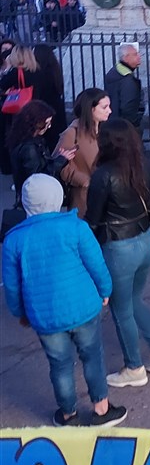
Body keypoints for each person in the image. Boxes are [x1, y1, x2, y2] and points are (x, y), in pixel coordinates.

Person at [2, 174, 127, 427]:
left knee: (59, 364)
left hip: (44, 316)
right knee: (92, 355)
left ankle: (68, 415)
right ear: (58, 197)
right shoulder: (76, 227)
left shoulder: (14, 240)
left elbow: (12, 287)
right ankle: (101, 409)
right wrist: (105, 290)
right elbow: (96, 264)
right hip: (83, 307)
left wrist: (21, 313)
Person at [85, 119, 150, 387]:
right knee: (134, 300)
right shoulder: (147, 166)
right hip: (145, 239)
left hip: (117, 246)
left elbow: (93, 219)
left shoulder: (104, 175)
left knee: (121, 308)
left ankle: (134, 367)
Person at [57, 88, 111, 217]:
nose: (110, 111)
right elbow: (60, 165)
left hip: (108, 196)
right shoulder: (72, 133)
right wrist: (84, 181)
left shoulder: (107, 130)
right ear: (90, 109)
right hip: (84, 200)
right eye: (104, 107)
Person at [9, 100, 75, 198]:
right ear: (35, 122)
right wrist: (59, 160)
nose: (49, 126)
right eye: (46, 123)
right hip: (36, 198)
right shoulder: (29, 148)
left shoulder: (29, 140)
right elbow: (38, 178)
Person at [104, 42, 144, 129]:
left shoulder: (115, 72)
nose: (139, 56)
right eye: (135, 54)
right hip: (124, 128)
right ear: (126, 58)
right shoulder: (127, 80)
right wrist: (135, 124)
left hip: (113, 123)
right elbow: (128, 109)